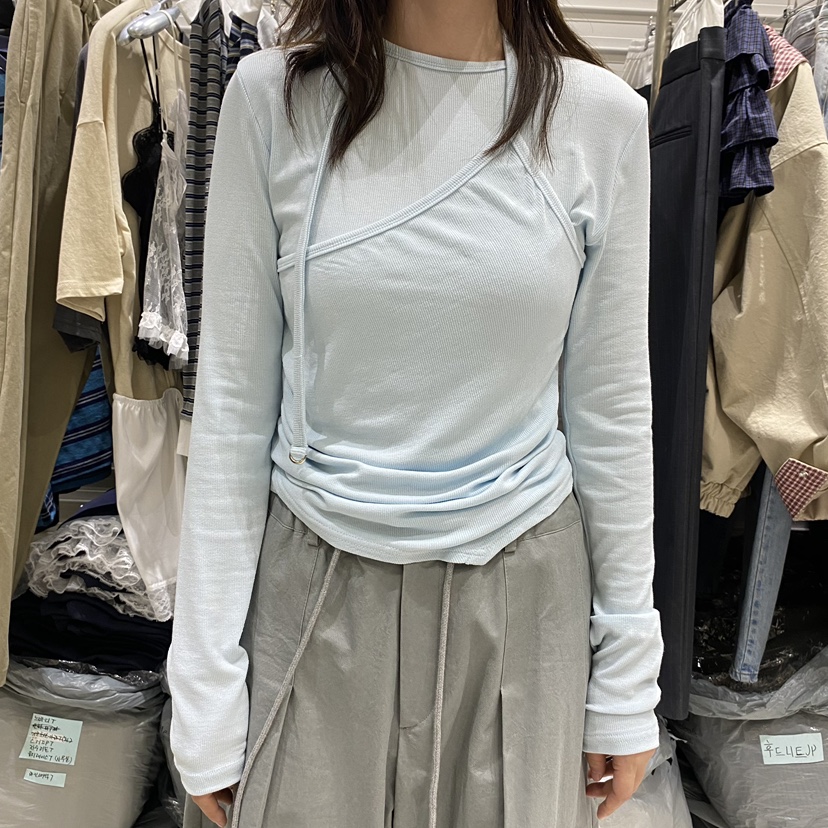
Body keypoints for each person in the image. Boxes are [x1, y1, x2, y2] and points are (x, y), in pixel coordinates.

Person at [167, 0, 665, 826]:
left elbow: (611, 413)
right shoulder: (272, 100)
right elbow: (232, 410)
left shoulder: (600, 119)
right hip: (313, 586)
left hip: (524, 601)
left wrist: (627, 675)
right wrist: (205, 687)